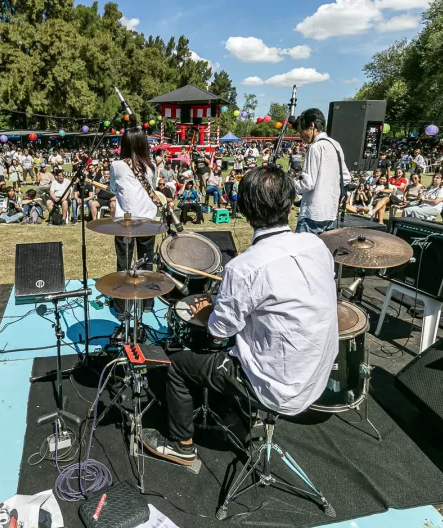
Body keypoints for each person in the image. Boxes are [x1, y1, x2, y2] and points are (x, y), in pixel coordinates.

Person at [140, 166, 338, 466]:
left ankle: (182, 446)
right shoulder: (316, 245)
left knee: (176, 364)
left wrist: (207, 310)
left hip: (278, 387)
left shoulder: (245, 267)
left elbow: (220, 331)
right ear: (289, 204)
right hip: (317, 378)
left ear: (243, 208)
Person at [109, 128, 158, 318]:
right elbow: (151, 189)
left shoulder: (117, 165)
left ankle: (122, 308)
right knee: (147, 264)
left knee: (124, 265)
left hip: (126, 222)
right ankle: (147, 303)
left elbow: (113, 187)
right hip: (147, 221)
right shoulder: (151, 166)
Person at [293, 108, 352, 234]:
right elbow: (346, 177)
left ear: (312, 125)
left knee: (302, 253)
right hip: (330, 213)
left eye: (301, 130)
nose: (301, 135)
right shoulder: (336, 145)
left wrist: (290, 183)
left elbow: (307, 183)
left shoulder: (315, 147)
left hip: (312, 214)